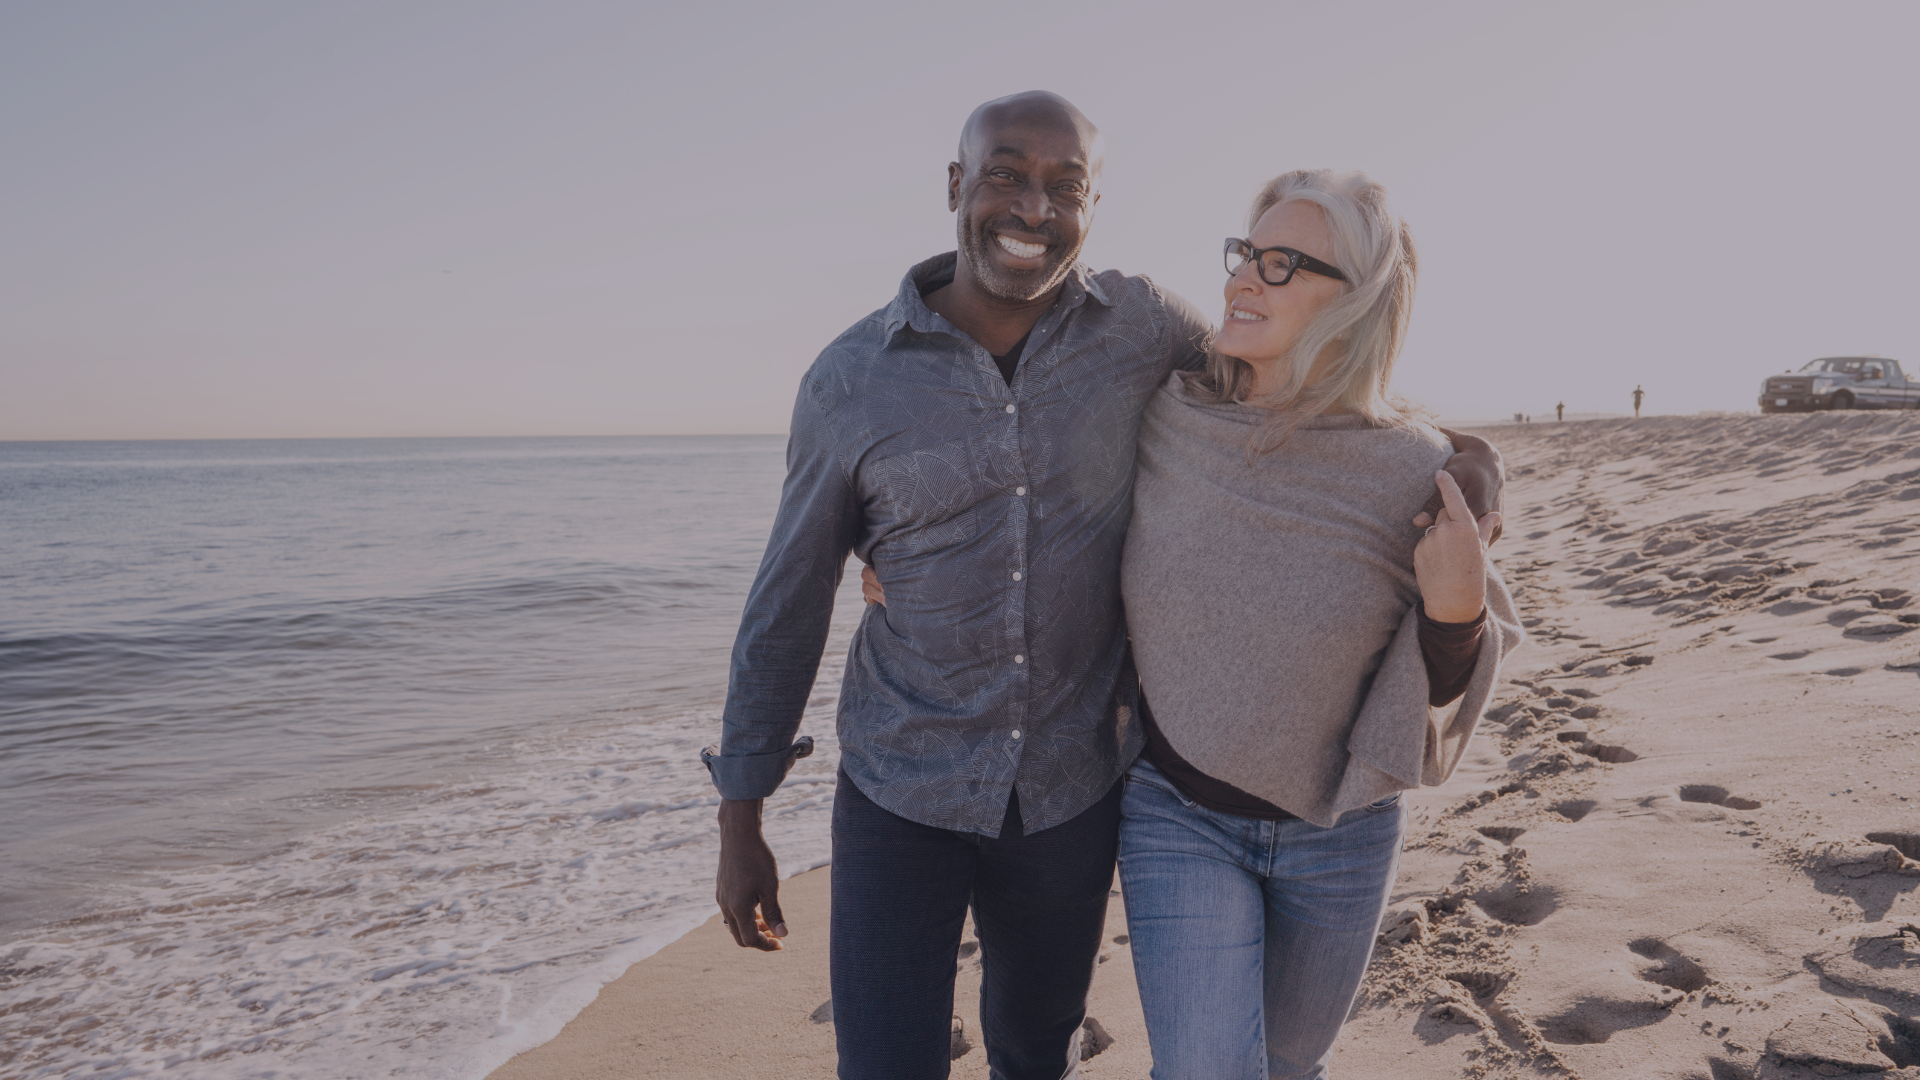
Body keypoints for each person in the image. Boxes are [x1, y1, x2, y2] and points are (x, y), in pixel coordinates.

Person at [704, 93, 1505, 1080]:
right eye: (1004, 175)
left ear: (1094, 205)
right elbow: (786, 601)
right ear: (956, 185)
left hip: (1070, 794)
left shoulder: (1143, 333)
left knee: (1040, 1058)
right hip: (904, 781)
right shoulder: (849, 381)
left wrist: (1472, 463)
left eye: (1065, 186)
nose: (1033, 208)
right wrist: (741, 813)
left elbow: (1334, 403)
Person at [1116, 169, 1523, 1078]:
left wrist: (1457, 608)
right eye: (1244, 255)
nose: (1241, 279)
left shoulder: (1412, 473)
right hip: (1175, 813)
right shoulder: (1166, 417)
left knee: (1290, 1065)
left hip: (1341, 831)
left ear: (1362, 302)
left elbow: (1434, 692)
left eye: (1282, 263)